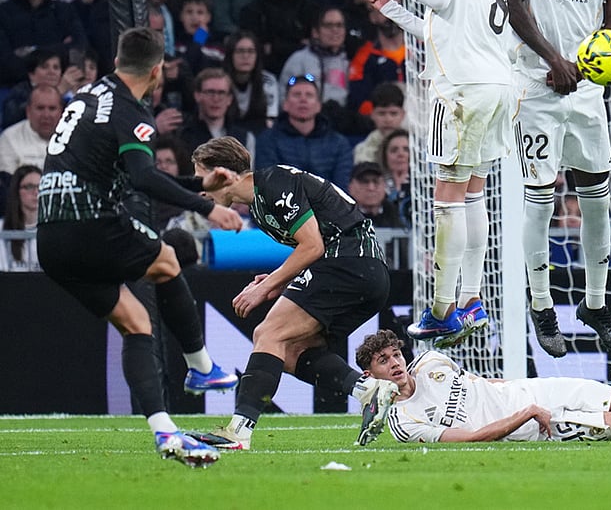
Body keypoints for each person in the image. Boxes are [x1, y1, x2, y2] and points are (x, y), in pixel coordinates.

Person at [35, 27, 245, 467]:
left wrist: (197, 185)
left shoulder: (89, 96)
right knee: (168, 258)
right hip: (90, 223)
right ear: (157, 71)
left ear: (116, 62)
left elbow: (135, 175)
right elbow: (145, 178)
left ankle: (166, 432)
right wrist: (208, 209)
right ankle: (203, 368)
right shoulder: (131, 110)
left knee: (136, 324)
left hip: (51, 238)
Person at [367, 0, 515, 346]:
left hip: (461, 90)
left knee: (447, 199)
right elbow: (440, 28)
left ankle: (441, 310)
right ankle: (471, 299)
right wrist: (391, 8)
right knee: (473, 194)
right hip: (498, 86)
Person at [187, 136, 399, 450]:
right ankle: (368, 391)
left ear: (222, 173)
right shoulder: (260, 205)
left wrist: (268, 286)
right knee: (290, 351)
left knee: (268, 333)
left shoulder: (273, 183)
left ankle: (239, 432)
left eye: (199, 176)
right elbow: (315, 247)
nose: (199, 188)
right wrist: (282, 282)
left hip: (351, 263)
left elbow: (313, 244)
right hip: (363, 272)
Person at [503, 0, 611, 358]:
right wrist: (554, 61)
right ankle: (541, 305)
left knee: (596, 197)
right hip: (535, 86)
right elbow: (514, 7)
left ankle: (596, 305)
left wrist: (593, 63)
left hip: (585, 88)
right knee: (540, 197)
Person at [355, 329, 611, 445]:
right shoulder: (404, 421)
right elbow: (469, 436)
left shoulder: (431, 361)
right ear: (372, 375)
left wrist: (521, 393)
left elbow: (483, 382)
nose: (394, 364)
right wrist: (524, 414)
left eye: (394, 355)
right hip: (535, 423)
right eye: (383, 362)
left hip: (538, 390)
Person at [254, 73, 354, 189]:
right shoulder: (268, 140)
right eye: (296, 95)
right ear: (285, 104)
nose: (303, 99)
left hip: (328, 205)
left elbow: (342, 188)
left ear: (318, 106)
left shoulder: (339, 143)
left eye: (309, 95)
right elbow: (269, 184)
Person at [222, 29, 279, 133]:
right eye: (240, 51)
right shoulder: (220, 81)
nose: (245, 56)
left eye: (251, 51)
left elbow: (270, 121)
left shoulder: (268, 80)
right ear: (230, 55)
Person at [0, 84, 63, 175]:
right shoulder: (9, 138)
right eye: (40, 108)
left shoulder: (75, 137)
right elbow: (7, 183)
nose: (46, 115)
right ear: (28, 111)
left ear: (61, 111)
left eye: (52, 109)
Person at [0, 164, 41, 272]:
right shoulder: (1, 229)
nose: (36, 192)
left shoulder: (52, 229)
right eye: (29, 187)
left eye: (40, 186)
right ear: (16, 191)